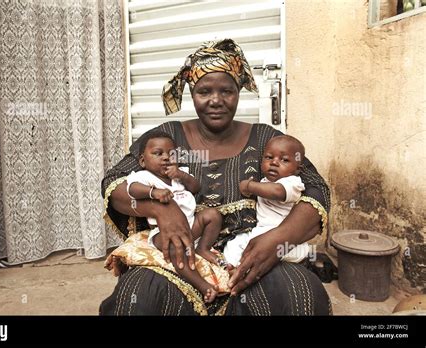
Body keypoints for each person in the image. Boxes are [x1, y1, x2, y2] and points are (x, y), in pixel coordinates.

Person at [100, 38, 331, 315]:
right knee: (139, 298)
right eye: (204, 91)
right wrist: (161, 210)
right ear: (191, 93)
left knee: (301, 298)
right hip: (179, 258)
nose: (216, 101)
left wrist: (278, 240)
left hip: (254, 255)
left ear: (238, 92)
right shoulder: (166, 138)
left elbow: (317, 189)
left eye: (227, 91)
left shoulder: (268, 140)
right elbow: (114, 182)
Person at [124, 130, 223, 303]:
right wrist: (153, 192)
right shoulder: (144, 177)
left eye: (171, 154)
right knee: (172, 249)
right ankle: (202, 285)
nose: (165, 158)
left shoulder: (179, 175)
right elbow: (132, 190)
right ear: (142, 160)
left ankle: (203, 248)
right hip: (166, 233)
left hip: (192, 226)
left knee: (212, 215)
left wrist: (182, 175)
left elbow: (196, 187)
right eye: (158, 153)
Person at [224, 135, 309, 267]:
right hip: (261, 231)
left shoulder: (293, 183)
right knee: (235, 244)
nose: (274, 162)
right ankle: (230, 267)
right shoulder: (264, 181)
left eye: (284, 160)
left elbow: (277, 192)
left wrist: (249, 186)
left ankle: (248, 266)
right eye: (269, 157)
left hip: (286, 240)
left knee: (259, 251)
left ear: (298, 169)